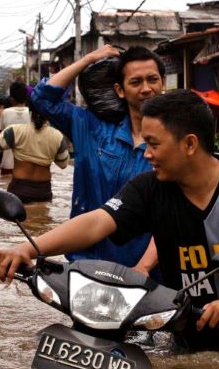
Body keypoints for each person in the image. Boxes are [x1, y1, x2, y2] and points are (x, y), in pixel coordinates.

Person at [0, 90, 219, 351]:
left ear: (189, 144)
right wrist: (28, 248)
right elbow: (96, 222)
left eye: (153, 144)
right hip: (188, 350)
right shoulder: (149, 188)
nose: (146, 154)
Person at [30, 44, 162, 272]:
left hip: (147, 272)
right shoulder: (91, 128)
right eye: (135, 82)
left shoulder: (176, 140)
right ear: (120, 90)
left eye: (153, 80)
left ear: (163, 83)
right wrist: (88, 59)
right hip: (87, 264)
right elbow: (42, 98)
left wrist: (144, 267)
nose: (146, 89)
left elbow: (177, 214)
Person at [0, 102, 70, 203]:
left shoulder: (15, 131)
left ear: (30, 112)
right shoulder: (57, 136)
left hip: (19, 191)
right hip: (43, 192)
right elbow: (63, 164)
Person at [0, 82, 32, 175]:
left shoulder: (5, 113)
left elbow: (0, 137)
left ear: (11, 99)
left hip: (8, 163)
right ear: (26, 97)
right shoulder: (32, 113)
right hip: (27, 164)